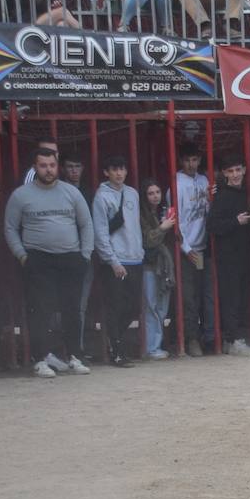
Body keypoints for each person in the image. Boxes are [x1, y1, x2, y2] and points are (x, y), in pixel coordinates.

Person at [4, 146, 93, 379]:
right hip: (38, 259)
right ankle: (40, 359)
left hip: (71, 258)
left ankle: (74, 356)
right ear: (35, 167)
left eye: (52, 165)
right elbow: (11, 228)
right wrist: (22, 255)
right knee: (40, 311)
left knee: (72, 310)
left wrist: (85, 254)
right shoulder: (21, 195)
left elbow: (86, 224)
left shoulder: (72, 193)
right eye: (43, 166)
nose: (48, 170)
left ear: (58, 166)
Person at [91, 156, 144, 368]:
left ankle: (115, 340)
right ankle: (117, 350)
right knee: (116, 306)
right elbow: (101, 233)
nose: (119, 173)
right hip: (116, 260)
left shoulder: (133, 193)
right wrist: (112, 261)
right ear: (107, 172)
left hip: (135, 258)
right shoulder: (101, 197)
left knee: (133, 307)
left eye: (122, 168)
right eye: (114, 169)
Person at [174, 146, 213, 357]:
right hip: (187, 250)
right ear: (181, 160)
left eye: (195, 159)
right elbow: (175, 220)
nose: (192, 164)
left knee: (205, 295)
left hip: (204, 248)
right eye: (188, 159)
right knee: (189, 298)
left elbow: (208, 211)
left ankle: (208, 337)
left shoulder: (204, 181)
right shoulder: (177, 183)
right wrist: (186, 248)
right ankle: (191, 340)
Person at [139, 178, 175, 360]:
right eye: (150, 193)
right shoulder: (142, 215)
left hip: (164, 265)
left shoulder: (164, 211)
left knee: (161, 306)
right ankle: (151, 347)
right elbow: (147, 240)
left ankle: (156, 345)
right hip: (149, 264)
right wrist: (163, 228)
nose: (155, 196)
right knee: (151, 306)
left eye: (157, 192)